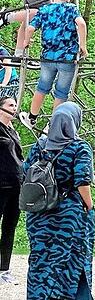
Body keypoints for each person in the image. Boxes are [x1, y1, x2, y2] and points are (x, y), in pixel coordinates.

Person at [23, 102, 95, 300]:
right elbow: (83, 182)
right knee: (71, 261)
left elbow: (25, 171)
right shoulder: (80, 147)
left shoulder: (40, 145)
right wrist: (89, 206)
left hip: (38, 215)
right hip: (69, 217)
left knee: (40, 261)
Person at [20, 0, 88, 129]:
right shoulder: (71, 9)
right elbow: (81, 24)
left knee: (42, 88)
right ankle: (53, 124)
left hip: (48, 57)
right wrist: (83, 46)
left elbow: (30, 27)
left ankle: (32, 118)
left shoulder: (45, 9)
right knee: (61, 93)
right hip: (67, 58)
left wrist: (26, 41)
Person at [0, 97, 22, 285]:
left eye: (15, 105)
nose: (14, 108)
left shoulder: (13, 130)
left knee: (9, 228)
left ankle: (4, 269)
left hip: (16, 185)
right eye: (10, 105)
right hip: (0, 184)